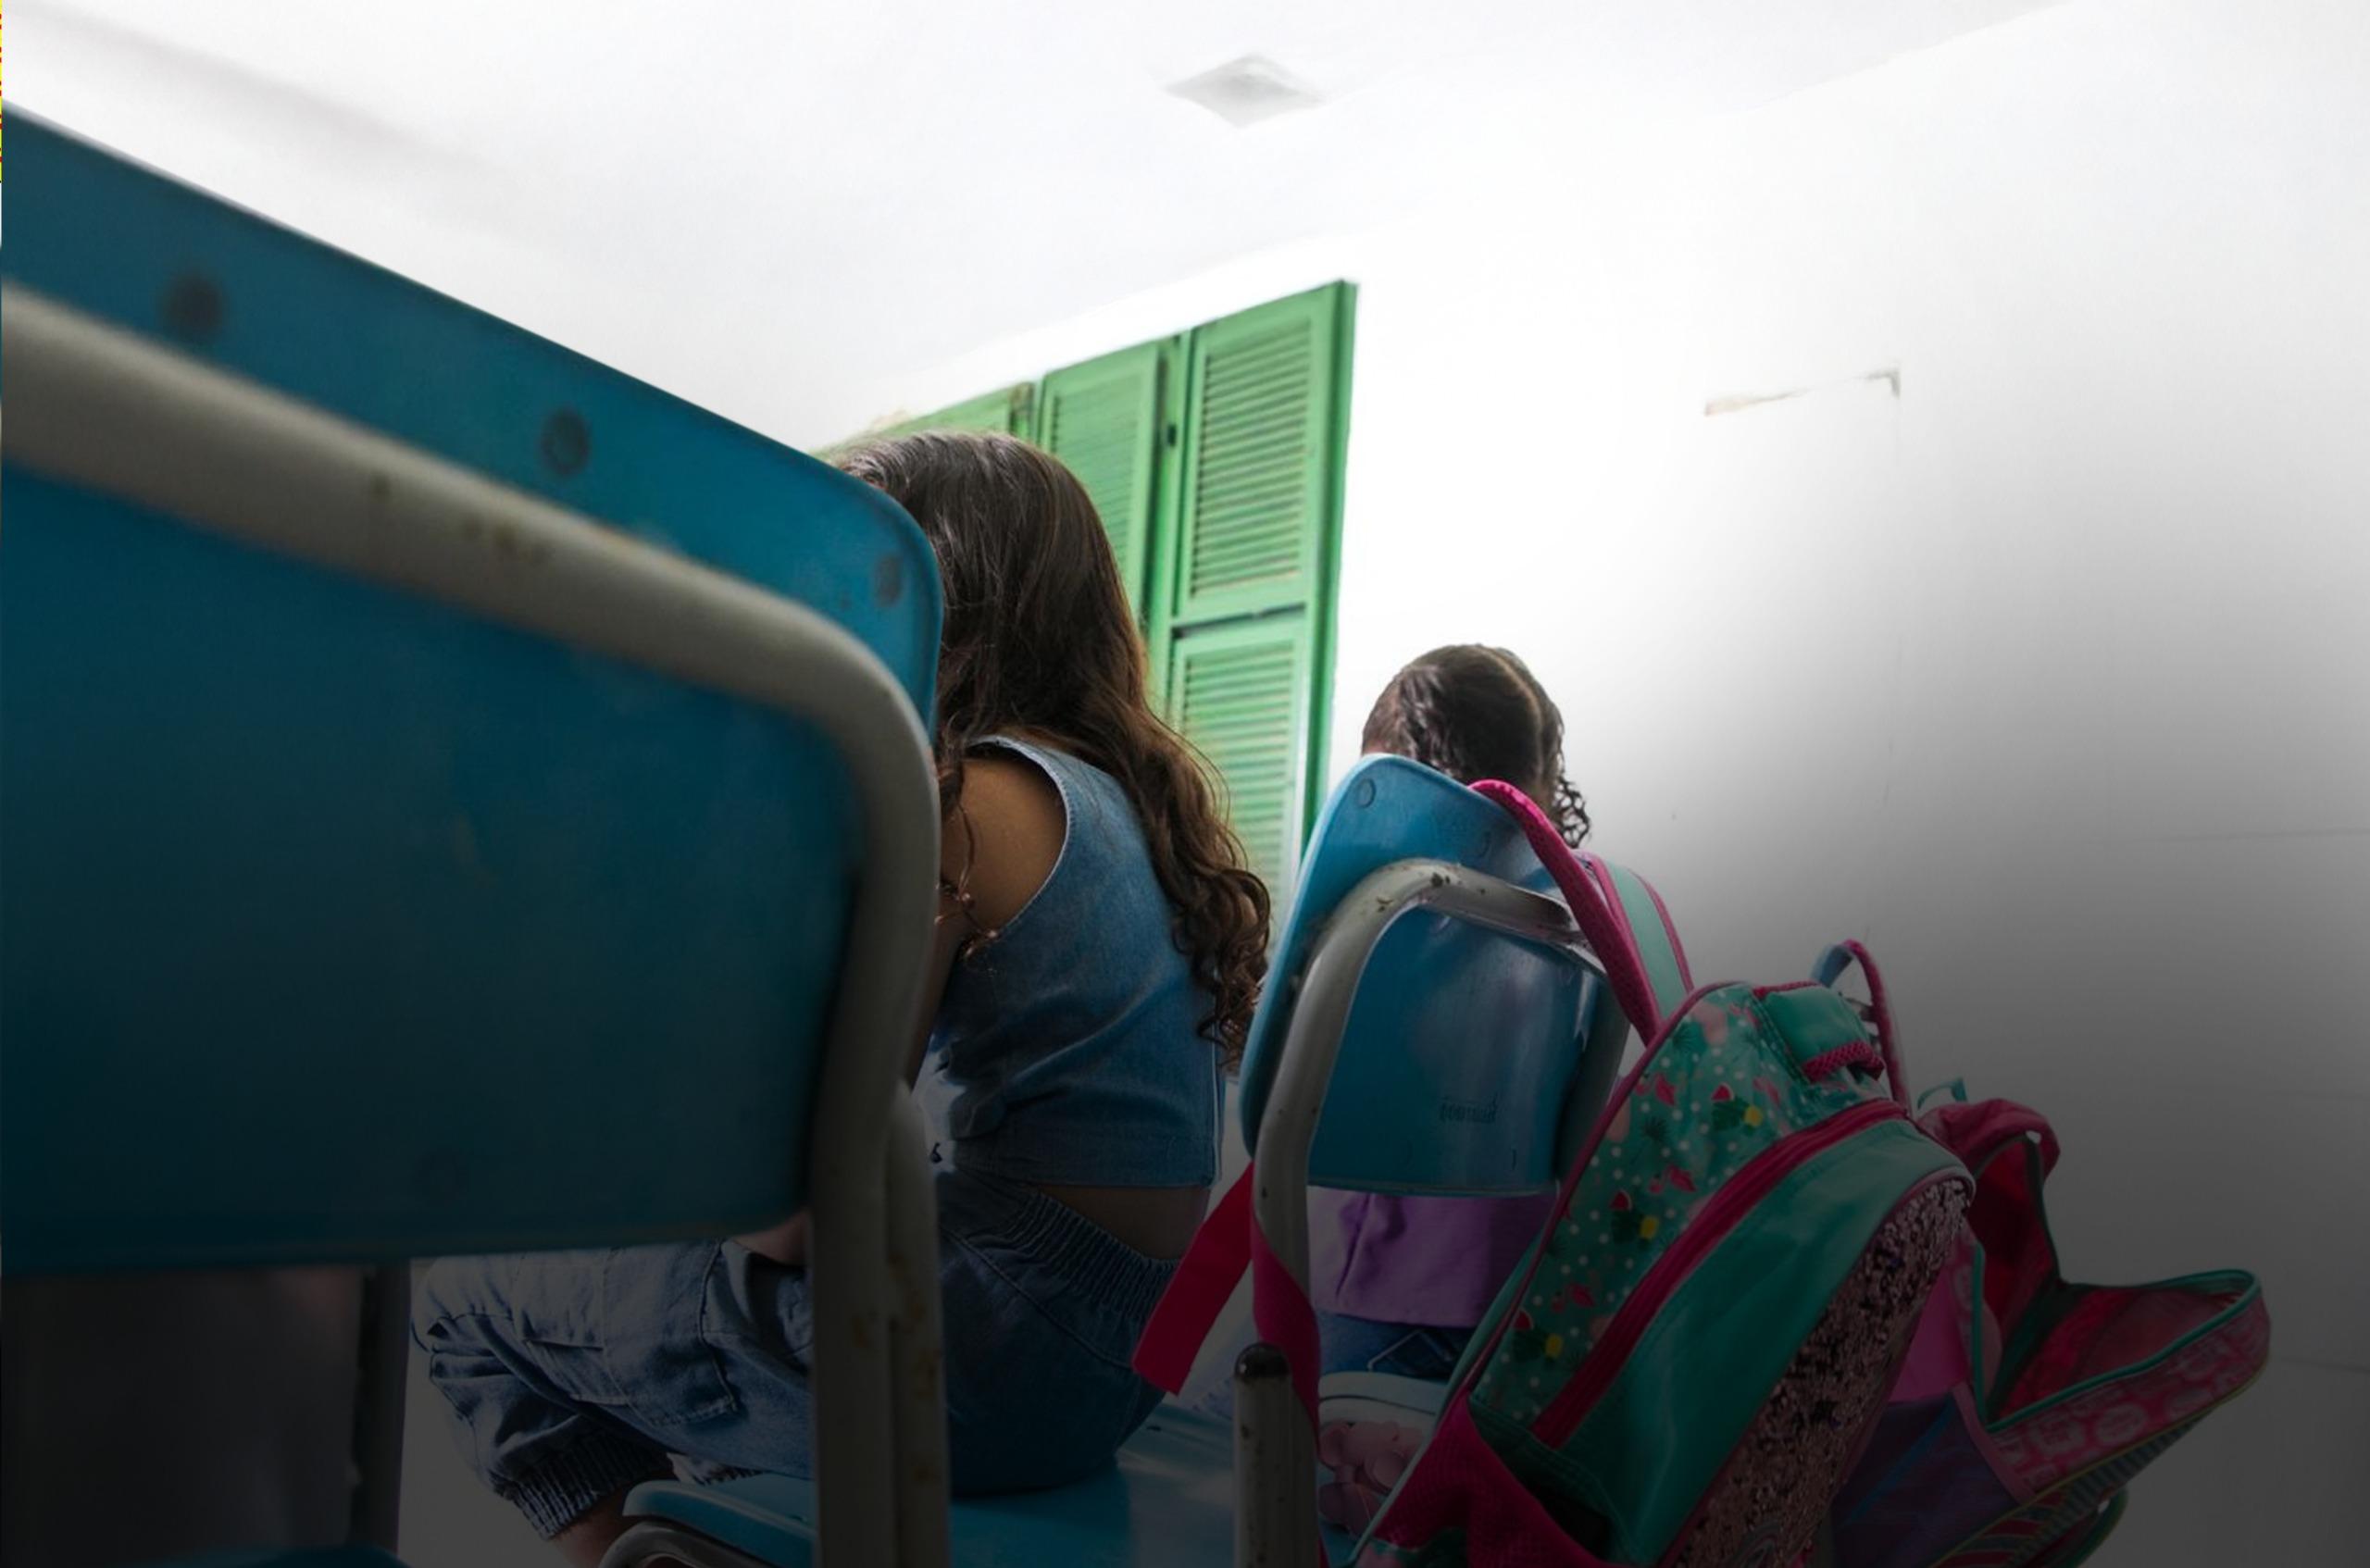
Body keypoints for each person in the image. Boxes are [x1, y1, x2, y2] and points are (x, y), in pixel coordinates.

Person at [414, 431, 1269, 1562]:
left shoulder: (959, 799)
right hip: (1122, 1357)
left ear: (925, 601)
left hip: (987, 1358)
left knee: (462, 1299)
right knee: (701, 1304)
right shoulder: (1128, 809)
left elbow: (789, 1196)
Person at [1310, 644, 1591, 1531]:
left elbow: (1292, 1094)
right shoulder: (1570, 920)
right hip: (1521, 1327)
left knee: (1214, 1418)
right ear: (1541, 774)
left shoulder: (1389, 918)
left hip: (1378, 1325)